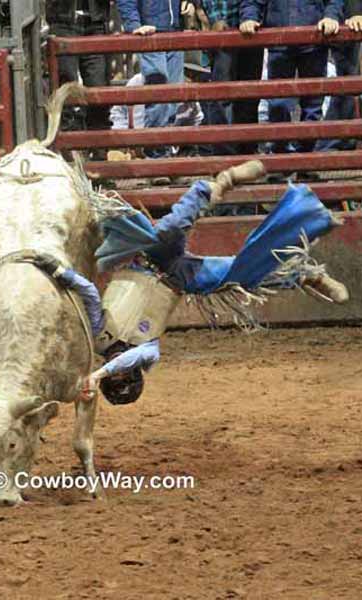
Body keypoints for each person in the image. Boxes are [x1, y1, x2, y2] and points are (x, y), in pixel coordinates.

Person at [35, 160, 349, 406]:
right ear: (133, 374)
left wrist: (61, 273)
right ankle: (306, 275)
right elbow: (130, 357)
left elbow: (88, 292)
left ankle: (221, 183)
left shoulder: (100, 338)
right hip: (180, 279)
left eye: (114, 376)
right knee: (240, 276)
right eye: (123, 375)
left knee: (170, 229)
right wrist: (101, 373)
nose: (120, 368)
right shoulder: (148, 355)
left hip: (149, 260)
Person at [240, 0, 343, 153]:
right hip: (279, 42)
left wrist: (331, 16)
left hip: (314, 42)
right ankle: (281, 156)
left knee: (312, 106)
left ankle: (306, 157)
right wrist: (249, 17)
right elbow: (252, 2)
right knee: (278, 104)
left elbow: (334, 1)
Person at [116, 0, 184, 158]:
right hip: (150, 33)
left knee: (173, 100)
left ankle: (164, 154)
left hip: (174, 32)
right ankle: (157, 156)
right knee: (158, 96)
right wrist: (135, 26)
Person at [197, 0, 264, 157]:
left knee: (250, 95)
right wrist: (216, 19)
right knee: (222, 96)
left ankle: (246, 151)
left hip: (252, 28)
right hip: (226, 28)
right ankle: (225, 154)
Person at [45, 0, 111, 158]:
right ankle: (70, 155)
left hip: (94, 22)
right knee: (66, 87)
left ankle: (99, 158)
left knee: (98, 88)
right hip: (63, 21)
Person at [316, 1, 362, 152]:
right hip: (349, 25)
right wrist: (355, 13)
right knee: (347, 86)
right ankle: (327, 146)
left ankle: (333, 144)